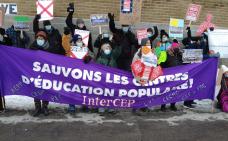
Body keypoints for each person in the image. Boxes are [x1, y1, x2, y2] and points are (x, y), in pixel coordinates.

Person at [29, 31, 64, 116]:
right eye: (38, 38)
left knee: (45, 89)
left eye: (41, 39)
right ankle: (37, 108)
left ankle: (45, 107)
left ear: (45, 40)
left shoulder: (50, 48)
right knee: (36, 89)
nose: (39, 40)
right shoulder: (32, 47)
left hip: (46, 73)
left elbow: (57, 57)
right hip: (36, 73)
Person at [62, 27, 92, 113]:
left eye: (80, 40)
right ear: (74, 41)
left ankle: (85, 105)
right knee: (72, 90)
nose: (80, 42)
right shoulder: (69, 49)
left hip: (83, 74)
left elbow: (92, 56)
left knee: (84, 90)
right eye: (78, 40)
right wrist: (66, 35)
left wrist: (89, 58)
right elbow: (64, 43)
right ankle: (72, 106)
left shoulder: (85, 49)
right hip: (72, 74)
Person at [96, 42, 121, 115]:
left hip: (112, 79)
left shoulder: (113, 57)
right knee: (102, 94)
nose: (108, 49)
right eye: (106, 48)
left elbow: (118, 51)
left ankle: (111, 107)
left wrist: (118, 44)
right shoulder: (100, 59)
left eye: (109, 48)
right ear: (102, 50)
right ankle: (101, 107)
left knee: (111, 93)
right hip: (103, 80)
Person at [156, 30, 178, 111]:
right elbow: (157, 57)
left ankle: (173, 104)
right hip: (164, 70)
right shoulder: (159, 45)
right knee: (165, 89)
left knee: (174, 88)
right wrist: (161, 51)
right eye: (162, 37)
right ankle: (163, 105)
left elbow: (177, 51)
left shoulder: (171, 44)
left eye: (165, 36)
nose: (164, 38)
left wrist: (176, 44)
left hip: (174, 70)